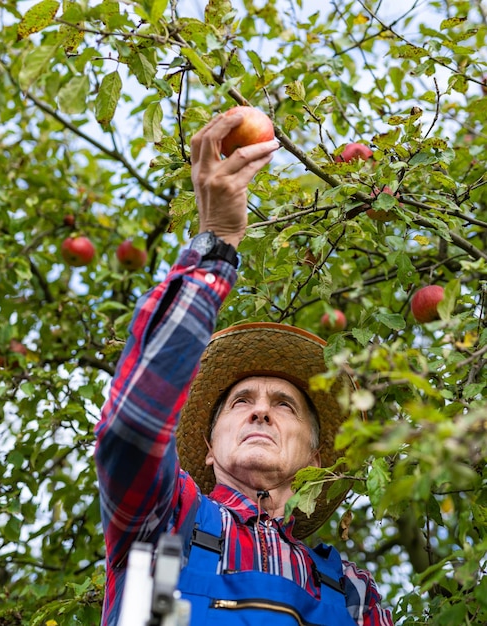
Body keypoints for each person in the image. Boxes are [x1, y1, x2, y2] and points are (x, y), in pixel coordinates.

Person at [94, 111, 394, 626]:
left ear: (316, 457)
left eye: (284, 406)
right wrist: (217, 240)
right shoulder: (164, 525)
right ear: (207, 451)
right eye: (241, 401)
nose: (261, 412)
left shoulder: (352, 594)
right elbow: (133, 426)